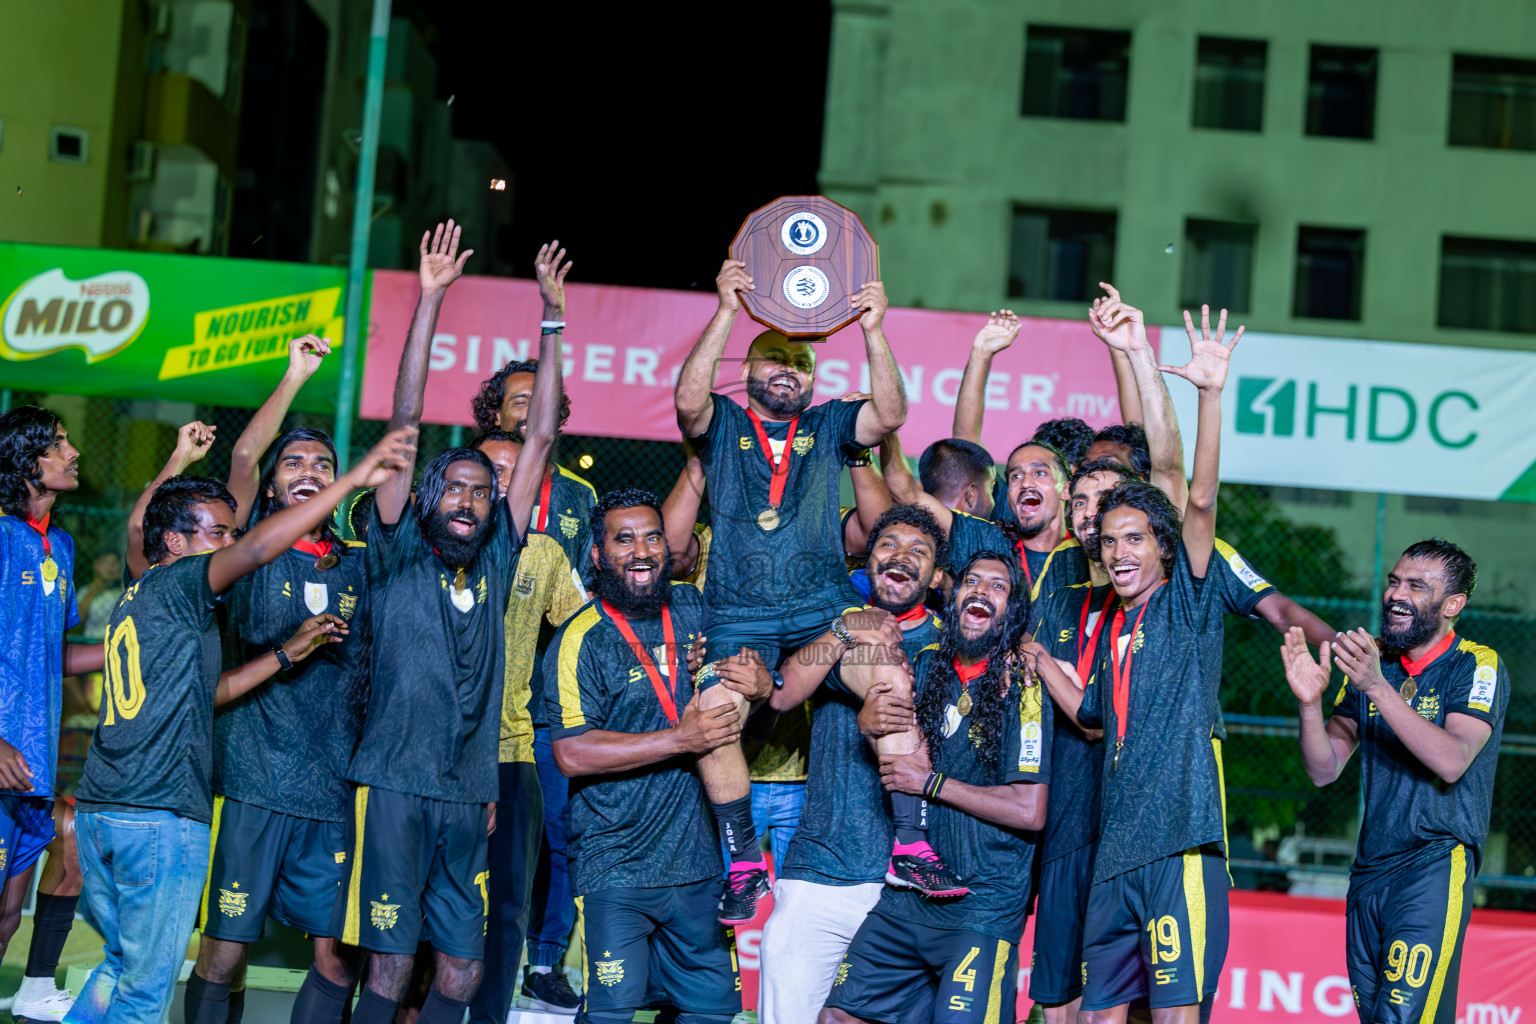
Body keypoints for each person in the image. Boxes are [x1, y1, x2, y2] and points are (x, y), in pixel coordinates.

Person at [65, 428, 413, 1024]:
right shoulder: (194, 583)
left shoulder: (146, 588)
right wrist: (356, 476)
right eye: (220, 533)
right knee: (152, 989)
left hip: (118, 802)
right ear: (176, 541)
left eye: (325, 464)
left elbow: (204, 685)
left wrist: (283, 655)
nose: (230, 539)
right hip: (171, 807)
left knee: (122, 966)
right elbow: (249, 536)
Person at [327, 223, 554, 1024]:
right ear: (426, 498)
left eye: (480, 491)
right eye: (453, 488)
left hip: (469, 794)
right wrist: (429, 300)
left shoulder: (498, 557)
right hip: (392, 784)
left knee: (461, 968)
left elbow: (539, 439)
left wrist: (552, 320)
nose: (467, 499)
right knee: (389, 968)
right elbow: (406, 419)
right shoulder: (393, 549)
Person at [672, 257, 906, 920]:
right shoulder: (721, 424)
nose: (788, 370)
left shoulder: (829, 426)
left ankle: (912, 845)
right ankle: (744, 862)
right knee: (713, 716)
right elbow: (687, 403)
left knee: (889, 678)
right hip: (738, 621)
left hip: (821, 613)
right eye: (773, 358)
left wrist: (874, 330)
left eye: (800, 364)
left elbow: (888, 413)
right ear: (745, 372)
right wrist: (724, 310)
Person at [1036, 305, 1239, 1024]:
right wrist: (1036, 657)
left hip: (1178, 847)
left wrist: (1207, 394)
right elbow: (1091, 717)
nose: (1120, 551)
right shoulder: (1112, 630)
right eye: (1110, 540)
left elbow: (1195, 489)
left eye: (1135, 538)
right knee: (1099, 1015)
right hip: (1112, 854)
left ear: (1162, 547)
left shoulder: (1186, 598)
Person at [177, 335, 368, 1024]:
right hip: (254, 785)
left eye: (323, 463)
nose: (308, 470)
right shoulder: (246, 553)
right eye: (295, 462)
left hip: (331, 791)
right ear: (278, 482)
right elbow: (243, 458)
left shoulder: (358, 565)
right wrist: (295, 376)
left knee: (336, 960)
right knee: (225, 955)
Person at [546, 489, 772, 1024]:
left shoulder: (696, 609)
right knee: (611, 1013)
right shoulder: (582, 639)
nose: (642, 550)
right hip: (617, 867)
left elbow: (744, 715)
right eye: (623, 539)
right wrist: (679, 740)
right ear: (598, 555)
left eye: (652, 536)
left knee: (711, 1014)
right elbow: (571, 754)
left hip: (698, 866)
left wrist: (762, 686)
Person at [821, 551, 1051, 1024]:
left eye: (998, 586)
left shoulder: (1023, 685)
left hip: (980, 906)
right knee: (838, 1017)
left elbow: (1030, 810)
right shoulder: (925, 666)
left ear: (1013, 612)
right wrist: (869, 720)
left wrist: (931, 783)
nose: (981, 590)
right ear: (952, 594)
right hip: (906, 899)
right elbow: (888, 733)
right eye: (972, 581)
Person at [1283, 539, 1503, 1024]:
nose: (1397, 594)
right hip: (1369, 873)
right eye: (1394, 581)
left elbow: (1453, 760)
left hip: (1432, 865)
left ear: (1453, 605)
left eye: (1417, 586)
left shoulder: (1476, 664)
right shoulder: (1374, 661)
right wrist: (1308, 703)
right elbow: (1324, 769)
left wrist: (1376, 688)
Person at [757, 504, 946, 1023]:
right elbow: (782, 693)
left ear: (937, 574)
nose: (900, 557)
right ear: (867, 558)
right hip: (820, 870)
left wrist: (877, 722)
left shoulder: (949, 646)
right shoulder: (835, 626)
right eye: (888, 545)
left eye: (919, 551)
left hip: (902, 889)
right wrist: (844, 628)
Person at [464, 244, 588, 1024]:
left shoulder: (575, 498)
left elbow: (581, 607)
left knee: (551, 847)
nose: (529, 406)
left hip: (545, 712)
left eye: (539, 398)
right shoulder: (460, 497)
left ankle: (538, 966)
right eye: (516, 398)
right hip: (471, 714)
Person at [0, 407, 104, 1022]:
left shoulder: (58, 546)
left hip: (31, 760)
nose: (73, 453)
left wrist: (126, 638)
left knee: (10, 914)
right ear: (26, 460)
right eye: (59, 445)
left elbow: (54, 653)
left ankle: (34, 993)